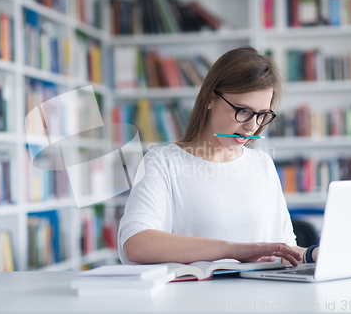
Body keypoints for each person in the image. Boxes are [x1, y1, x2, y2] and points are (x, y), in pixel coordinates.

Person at [117, 46, 319, 267]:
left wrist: (313, 255)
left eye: (262, 115)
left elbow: (284, 250)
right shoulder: (163, 162)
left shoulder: (263, 164)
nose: (251, 126)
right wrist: (232, 251)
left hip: (261, 297)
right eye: (242, 110)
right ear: (210, 99)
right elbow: (136, 244)